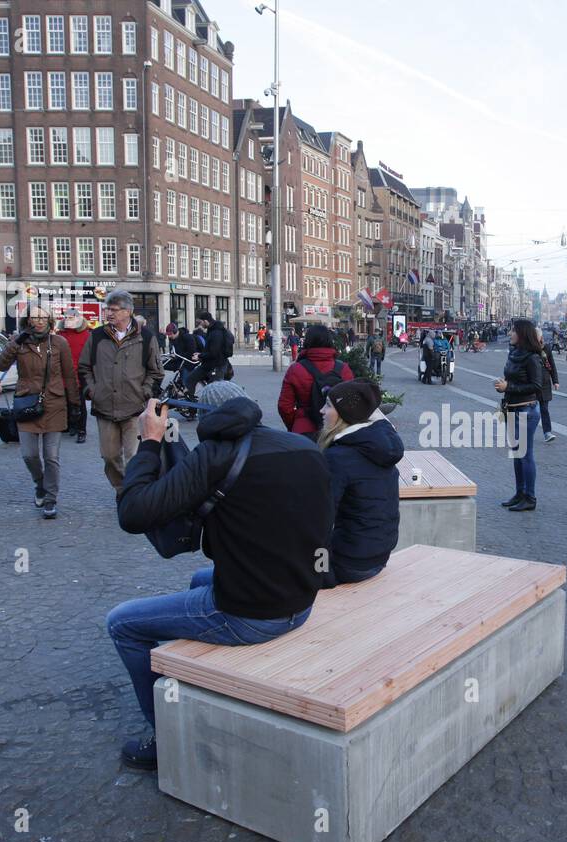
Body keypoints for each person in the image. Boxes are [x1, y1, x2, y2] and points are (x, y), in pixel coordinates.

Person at [109, 380, 333, 770]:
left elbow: (133, 513)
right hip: (302, 600)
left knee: (121, 623)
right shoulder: (303, 447)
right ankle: (193, 676)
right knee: (200, 579)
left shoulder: (216, 457)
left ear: (210, 417)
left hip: (251, 615)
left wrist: (149, 442)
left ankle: (165, 738)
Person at [317, 380, 405, 587]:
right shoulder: (378, 445)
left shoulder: (337, 457)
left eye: (328, 405)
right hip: (378, 557)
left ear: (345, 415)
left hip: (347, 563)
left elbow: (318, 522)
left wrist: (320, 573)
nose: (321, 410)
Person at [0, 308, 80, 519]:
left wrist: (75, 404)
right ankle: (40, 484)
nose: (39, 321)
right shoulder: (20, 341)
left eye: (43, 317)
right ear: (28, 320)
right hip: (26, 405)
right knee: (29, 454)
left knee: (51, 456)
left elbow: (69, 375)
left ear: (49, 320)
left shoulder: (59, 343)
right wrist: (16, 342)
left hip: (54, 404)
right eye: (35, 317)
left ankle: (50, 499)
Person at [79, 291, 164, 492]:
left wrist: (144, 392)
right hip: (104, 406)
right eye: (107, 308)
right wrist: (92, 391)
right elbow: (84, 367)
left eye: (114, 309)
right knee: (109, 456)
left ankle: (132, 491)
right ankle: (120, 488)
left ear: (128, 312)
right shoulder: (97, 336)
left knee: (133, 456)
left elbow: (156, 372)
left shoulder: (146, 336)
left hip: (134, 407)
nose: (109, 313)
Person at [495, 319, 546, 512]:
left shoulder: (533, 357)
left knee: (525, 455)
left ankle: (530, 497)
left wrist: (509, 387)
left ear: (522, 334)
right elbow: (512, 377)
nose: (510, 334)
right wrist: (504, 387)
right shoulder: (514, 353)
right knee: (517, 454)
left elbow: (536, 386)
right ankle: (520, 493)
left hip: (526, 410)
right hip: (512, 408)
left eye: (513, 331)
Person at [278, 323, 354, 440]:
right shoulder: (343, 369)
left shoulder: (295, 369)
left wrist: (296, 423)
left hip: (304, 432)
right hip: (336, 431)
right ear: (330, 341)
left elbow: (284, 407)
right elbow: (351, 403)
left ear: (307, 341)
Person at [56, 311, 91, 443]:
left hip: (80, 373)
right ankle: (71, 425)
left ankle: (81, 430)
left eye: (71, 317)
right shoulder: (60, 335)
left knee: (79, 403)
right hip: (63, 374)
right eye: (66, 318)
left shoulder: (87, 335)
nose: (67, 320)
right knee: (65, 402)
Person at [538, 339, 560, 442]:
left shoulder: (546, 348)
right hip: (531, 384)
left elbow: (552, 365)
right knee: (531, 411)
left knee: (544, 409)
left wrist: (555, 381)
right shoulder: (526, 348)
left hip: (545, 383)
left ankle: (547, 432)